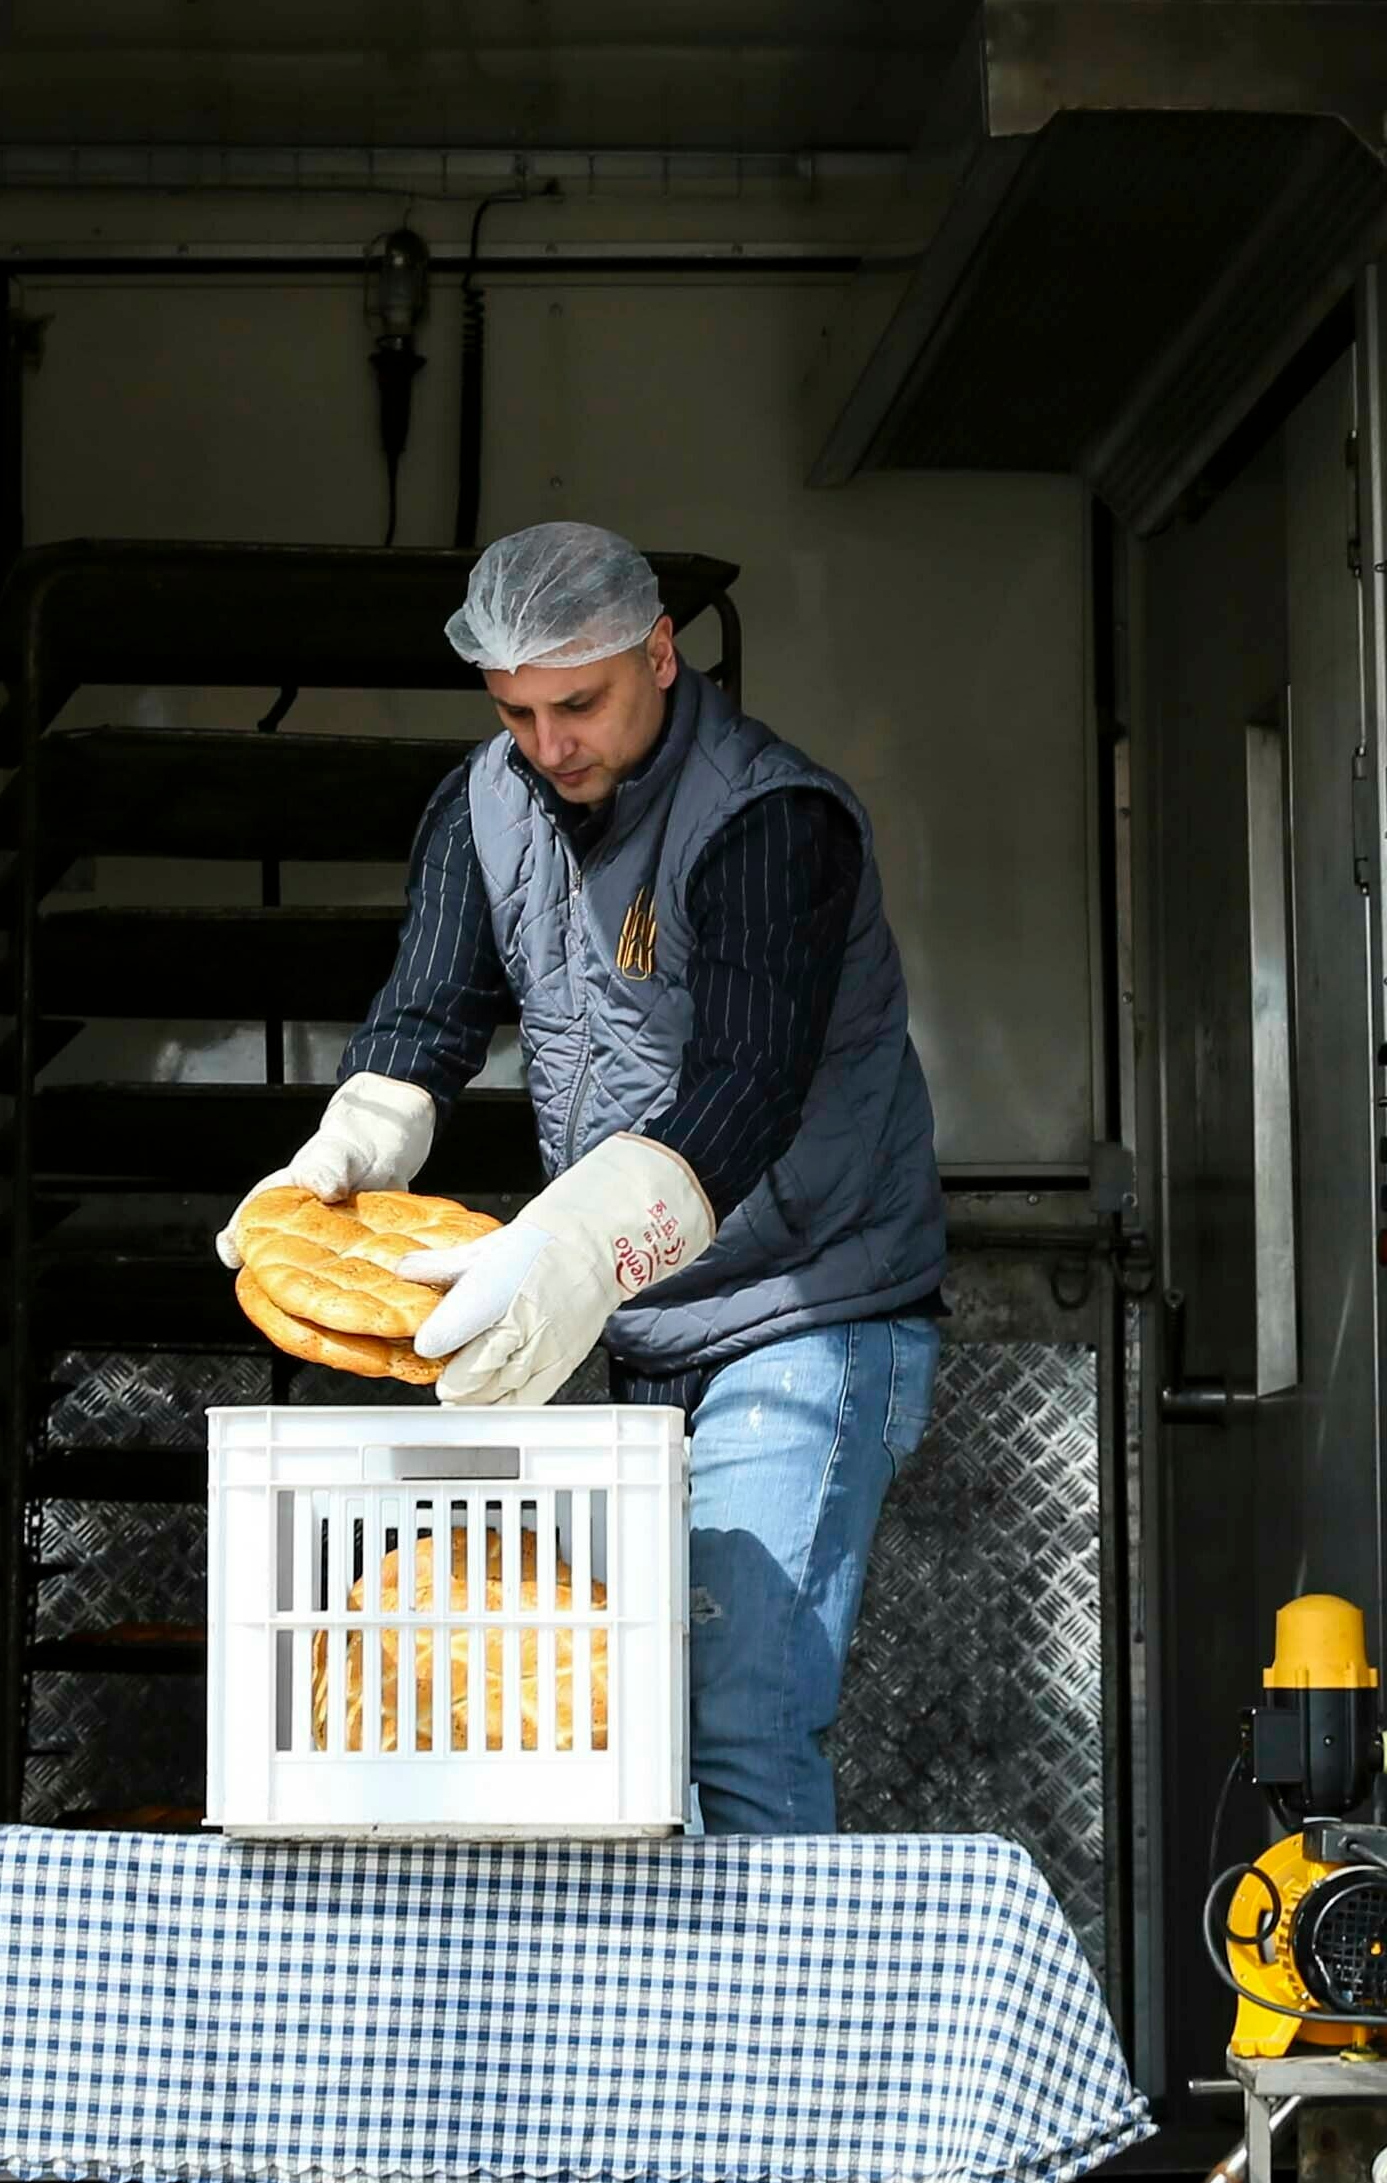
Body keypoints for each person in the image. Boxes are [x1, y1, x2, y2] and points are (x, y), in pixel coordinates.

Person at [213, 521, 945, 1836]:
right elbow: (426, 1016)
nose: (550, 745)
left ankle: (773, 2038)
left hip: (804, 1310)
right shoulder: (486, 803)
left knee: (739, 1723)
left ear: (658, 655)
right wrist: (352, 1144)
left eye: (579, 705)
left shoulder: (772, 820)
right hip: (640, 1319)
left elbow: (748, 1090)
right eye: (517, 712)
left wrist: (571, 1250)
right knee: (617, 1732)